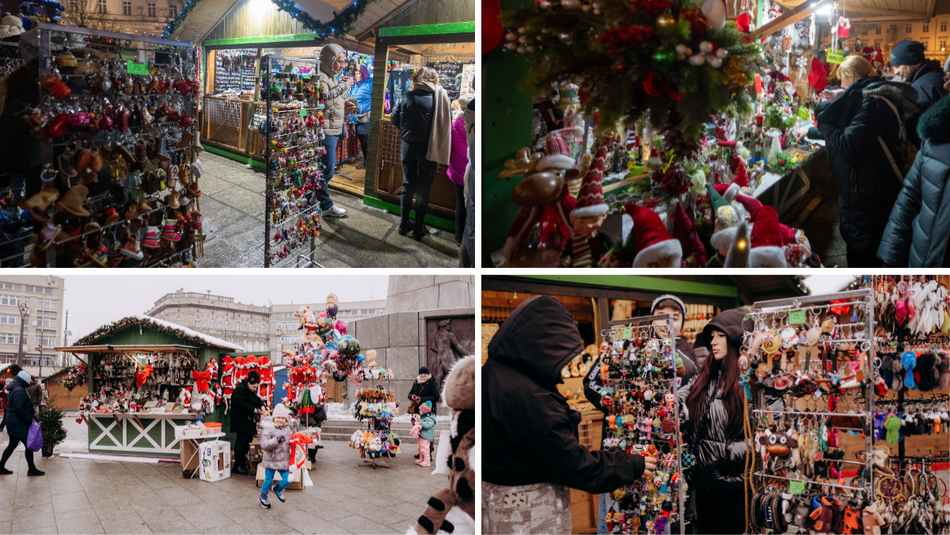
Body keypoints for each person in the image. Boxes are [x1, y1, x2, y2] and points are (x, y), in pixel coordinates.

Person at [483, 296, 655, 534]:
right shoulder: (527, 397)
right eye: (560, 356)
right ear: (542, 346)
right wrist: (629, 464)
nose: (563, 365)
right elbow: (573, 463)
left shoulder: (494, 375)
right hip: (528, 514)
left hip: (499, 505)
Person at [585, 293, 698, 535]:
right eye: (660, 316)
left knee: (659, 515)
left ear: (681, 323)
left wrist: (676, 418)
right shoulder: (624, 348)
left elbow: (691, 405)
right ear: (650, 320)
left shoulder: (687, 363)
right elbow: (591, 382)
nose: (666, 322)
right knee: (616, 512)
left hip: (663, 456)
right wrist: (617, 405)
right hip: (621, 449)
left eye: (674, 317)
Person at [799, 55, 918, 267]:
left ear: (851, 76)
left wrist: (826, 111)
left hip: (869, 196)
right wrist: (809, 131)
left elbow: (848, 142)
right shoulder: (870, 94)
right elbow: (850, 131)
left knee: (862, 258)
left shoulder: (874, 100)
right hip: (864, 191)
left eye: (842, 81)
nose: (841, 86)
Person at [676, 307, 752, 534]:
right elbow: (680, 402)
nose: (713, 342)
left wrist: (730, 453)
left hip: (735, 486)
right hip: (704, 483)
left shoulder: (751, 380)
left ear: (735, 338)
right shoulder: (706, 375)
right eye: (712, 337)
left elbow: (767, 432)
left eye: (720, 336)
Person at [878, 79, 950, 266]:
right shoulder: (937, 134)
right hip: (921, 261)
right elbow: (909, 195)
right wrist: (890, 254)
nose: (946, 86)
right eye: (948, 78)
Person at [390, 66, 452, 241]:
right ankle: (418, 229)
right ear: (433, 80)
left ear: (416, 79)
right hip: (429, 148)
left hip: (408, 146)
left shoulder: (405, 97)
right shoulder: (439, 99)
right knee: (424, 189)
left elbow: (395, 119)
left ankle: (403, 225)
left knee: (407, 185)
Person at [314, 43, 352, 219]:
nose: (343, 65)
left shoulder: (331, 76)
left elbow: (334, 103)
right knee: (326, 170)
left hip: (332, 128)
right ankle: (325, 204)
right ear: (330, 60)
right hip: (325, 130)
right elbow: (324, 101)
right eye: (340, 61)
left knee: (325, 169)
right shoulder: (321, 77)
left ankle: (312, 199)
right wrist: (344, 87)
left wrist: (346, 105)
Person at [0, 371, 43, 476]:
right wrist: (29, 419)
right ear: (23, 380)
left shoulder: (18, 388)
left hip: (15, 423)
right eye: (28, 380)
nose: (29, 382)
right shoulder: (19, 390)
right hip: (19, 424)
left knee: (12, 445)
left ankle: (1, 467)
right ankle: (31, 469)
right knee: (28, 446)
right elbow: (19, 409)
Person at [890, 40, 948, 112]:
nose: (895, 72)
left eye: (897, 66)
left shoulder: (920, 91)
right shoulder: (934, 74)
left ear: (912, 61)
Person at [448, 96, 473, 246]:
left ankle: (459, 238)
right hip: (473, 172)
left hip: (458, 172)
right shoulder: (478, 126)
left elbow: (449, 150)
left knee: (460, 205)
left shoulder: (455, 125)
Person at [258, 404, 292, 509]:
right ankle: (263, 497)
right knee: (268, 480)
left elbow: (289, 443)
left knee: (289, 478)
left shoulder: (287, 429)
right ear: (274, 418)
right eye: (278, 417)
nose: (280, 420)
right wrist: (277, 440)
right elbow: (264, 444)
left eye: (283, 418)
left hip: (283, 460)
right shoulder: (269, 429)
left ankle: (278, 489)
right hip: (271, 460)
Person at [231, 370, 264, 475]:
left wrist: (262, 405)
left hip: (247, 423)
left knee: (247, 442)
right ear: (249, 383)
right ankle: (238, 465)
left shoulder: (248, 389)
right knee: (241, 443)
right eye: (254, 387)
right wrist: (254, 409)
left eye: (256, 387)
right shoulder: (240, 390)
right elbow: (241, 404)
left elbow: (255, 399)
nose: (255, 389)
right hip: (241, 422)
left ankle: (244, 463)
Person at [408, 366, 439, 459]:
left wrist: (422, 399)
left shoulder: (432, 383)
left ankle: (429, 452)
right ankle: (422, 451)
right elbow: (409, 394)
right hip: (418, 411)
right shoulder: (416, 382)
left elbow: (436, 397)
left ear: (428, 373)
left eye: (425, 373)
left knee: (427, 431)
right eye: (421, 373)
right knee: (419, 431)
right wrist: (413, 397)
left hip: (428, 412)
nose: (423, 375)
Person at [346, 65, 373, 171]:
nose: (357, 76)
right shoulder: (356, 85)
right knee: (362, 140)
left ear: (364, 74)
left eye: (359, 74)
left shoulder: (370, 84)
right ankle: (366, 161)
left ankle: (368, 162)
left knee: (366, 141)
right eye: (356, 74)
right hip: (356, 118)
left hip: (366, 118)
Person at [416, 401, 436, 468]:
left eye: (420, 410)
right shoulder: (423, 417)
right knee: (421, 448)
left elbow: (427, 426)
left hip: (426, 437)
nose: (419, 412)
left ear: (425, 411)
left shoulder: (430, 419)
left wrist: (420, 421)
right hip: (422, 435)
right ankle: (422, 459)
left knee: (425, 448)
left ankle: (427, 461)